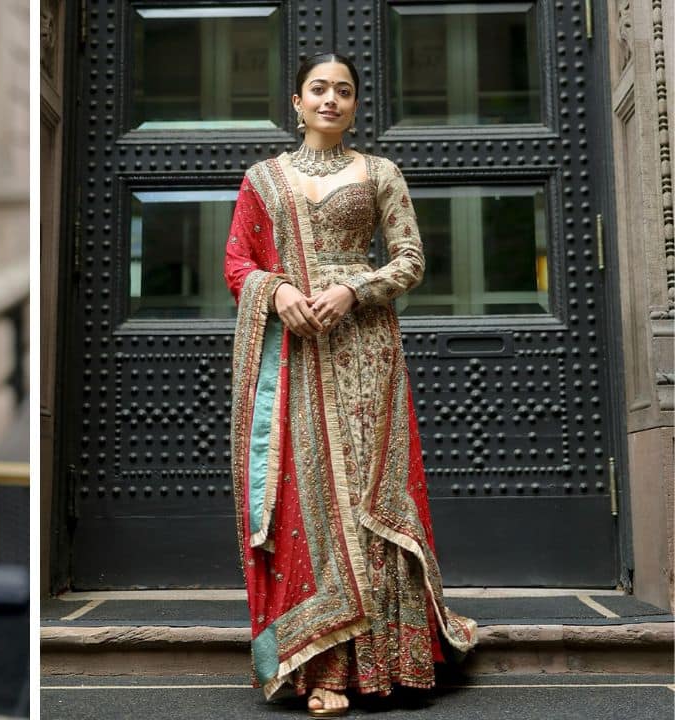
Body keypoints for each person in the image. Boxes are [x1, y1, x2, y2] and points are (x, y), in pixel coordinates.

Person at [223, 52, 478, 717]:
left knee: (368, 494)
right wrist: (277, 294)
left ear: (356, 105)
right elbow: (237, 263)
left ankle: (390, 666)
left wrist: (352, 288)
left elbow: (411, 259)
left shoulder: (380, 173)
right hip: (294, 355)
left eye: (343, 91)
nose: (330, 100)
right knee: (308, 498)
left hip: (365, 348)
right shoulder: (264, 179)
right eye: (318, 90)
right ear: (296, 101)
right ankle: (326, 671)